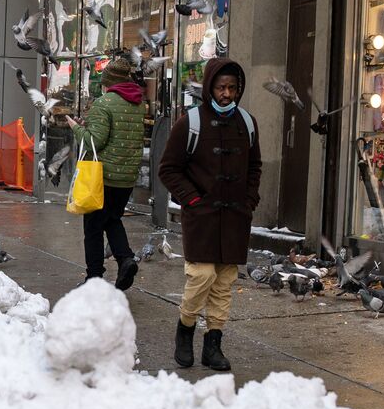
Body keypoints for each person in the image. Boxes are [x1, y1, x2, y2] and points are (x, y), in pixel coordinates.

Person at [157, 58, 261, 371]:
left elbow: (255, 167)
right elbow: (168, 169)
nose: (227, 93)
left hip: (234, 218)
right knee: (201, 277)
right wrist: (193, 200)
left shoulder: (247, 122)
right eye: (221, 87)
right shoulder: (190, 123)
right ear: (210, 88)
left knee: (224, 282)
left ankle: (213, 345)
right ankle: (185, 331)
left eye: (232, 88)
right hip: (201, 218)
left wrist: (248, 200)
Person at [70, 55, 146, 290]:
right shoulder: (138, 103)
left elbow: (95, 141)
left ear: (108, 82)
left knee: (93, 227)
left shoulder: (103, 104)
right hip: (126, 178)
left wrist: (76, 128)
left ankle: (94, 278)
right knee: (112, 219)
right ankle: (126, 259)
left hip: (103, 176)